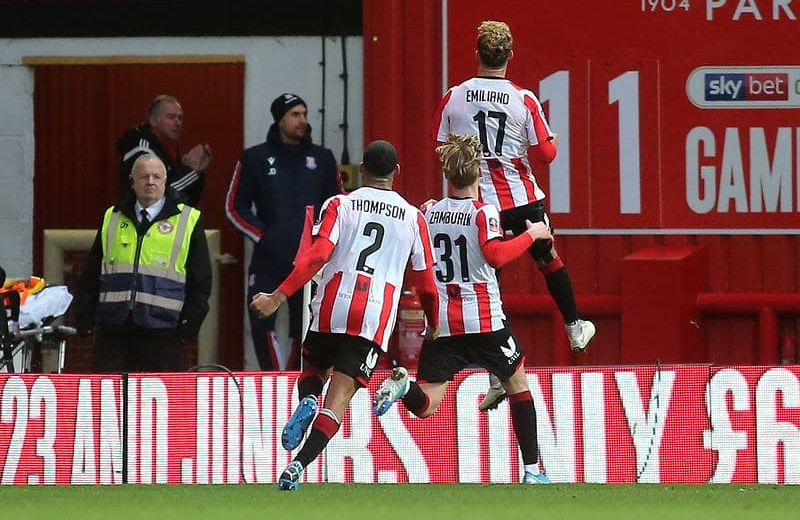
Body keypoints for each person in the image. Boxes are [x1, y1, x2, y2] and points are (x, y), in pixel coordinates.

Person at [249, 140, 435, 492]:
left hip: (332, 305)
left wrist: (277, 296)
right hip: (373, 319)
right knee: (338, 402)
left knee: (313, 372)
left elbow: (317, 255)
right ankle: (296, 467)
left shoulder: (340, 204)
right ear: (397, 172)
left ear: (362, 169)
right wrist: (435, 322)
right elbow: (425, 283)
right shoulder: (413, 217)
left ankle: (307, 397)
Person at [372, 133, 556, 484]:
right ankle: (533, 471)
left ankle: (401, 386)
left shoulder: (427, 211)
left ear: (448, 175)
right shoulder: (483, 212)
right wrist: (533, 235)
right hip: (483, 317)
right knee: (518, 383)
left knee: (426, 404)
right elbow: (495, 254)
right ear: (479, 176)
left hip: (442, 321)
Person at [433, 20, 595, 410]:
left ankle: (495, 374)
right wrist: (549, 141)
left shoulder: (455, 96)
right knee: (547, 257)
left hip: (480, 205)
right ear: (510, 55)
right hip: (522, 201)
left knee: (490, 286)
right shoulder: (523, 99)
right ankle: (575, 328)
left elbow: (440, 146)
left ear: (477, 53)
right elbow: (547, 155)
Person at [226, 93, 342, 370]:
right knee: (260, 319)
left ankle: (293, 380)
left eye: (304, 114)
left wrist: (322, 242)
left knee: (303, 326)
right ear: (280, 119)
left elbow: (337, 205)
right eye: (295, 115)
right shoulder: (255, 158)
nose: (302, 120)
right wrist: (264, 237)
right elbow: (234, 206)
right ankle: (272, 378)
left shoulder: (322, 158)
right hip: (268, 258)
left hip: (309, 261)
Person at [72, 154, 212, 372]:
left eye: (157, 176)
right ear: (132, 180)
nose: (150, 182)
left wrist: (188, 328)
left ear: (165, 181)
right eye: (144, 176)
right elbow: (92, 272)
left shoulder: (188, 219)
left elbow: (201, 281)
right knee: (111, 401)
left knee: (160, 402)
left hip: (164, 330)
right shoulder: (113, 216)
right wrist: (85, 318)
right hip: (114, 329)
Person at [117, 94, 212, 207]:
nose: (177, 123)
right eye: (171, 117)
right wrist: (192, 171)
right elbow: (159, 194)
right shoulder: (143, 150)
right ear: (153, 121)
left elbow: (185, 199)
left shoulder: (167, 149)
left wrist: (191, 170)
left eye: (180, 118)